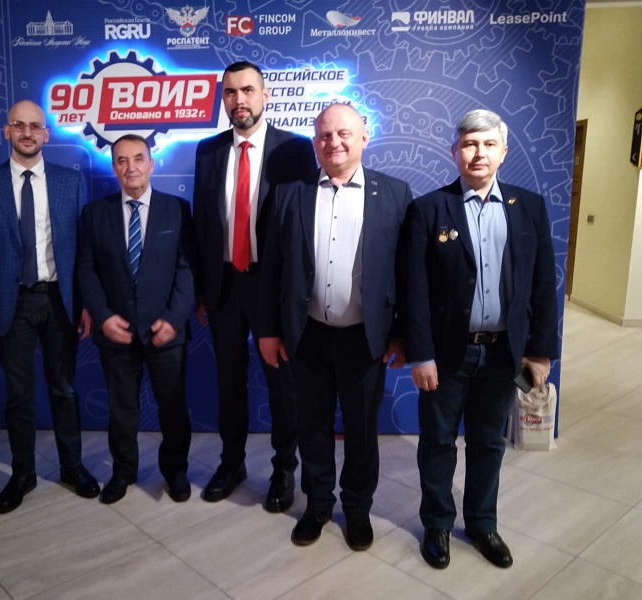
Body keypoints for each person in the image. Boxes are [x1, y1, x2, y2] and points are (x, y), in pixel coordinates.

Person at [406, 109, 559, 569]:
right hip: (446, 353)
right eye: (470, 144)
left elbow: (541, 285)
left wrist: (540, 352)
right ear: (454, 151)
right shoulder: (428, 209)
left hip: (503, 353)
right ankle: (437, 523)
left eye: (489, 144)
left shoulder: (528, 207)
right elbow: (414, 290)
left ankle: (481, 524)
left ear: (503, 152)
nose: (479, 153)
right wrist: (421, 354)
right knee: (437, 441)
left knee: (489, 442)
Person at [259, 103, 413, 551]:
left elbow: (408, 272)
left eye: (344, 133)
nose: (334, 142)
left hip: (365, 337)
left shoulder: (395, 193)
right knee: (312, 426)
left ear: (364, 137)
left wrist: (401, 333)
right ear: (315, 143)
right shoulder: (289, 194)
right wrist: (269, 330)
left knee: (362, 430)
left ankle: (358, 508)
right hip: (306, 335)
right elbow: (271, 270)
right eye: (325, 135)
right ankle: (318, 504)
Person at [0, 99, 99, 514]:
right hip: (10, 303)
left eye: (35, 126)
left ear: (46, 134)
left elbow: (84, 251)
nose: (27, 133)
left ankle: (72, 467)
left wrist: (87, 304)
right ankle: (23, 474)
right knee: (18, 395)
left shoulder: (70, 182)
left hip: (60, 300)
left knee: (65, 390)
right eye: (18, 125)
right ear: (6, 131)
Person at [192, 60, 316, 511]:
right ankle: (232, 463)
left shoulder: (296, 149)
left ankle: (284, 470)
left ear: (265, 96)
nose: (238, 100)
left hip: (274, 286)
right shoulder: (207, 150)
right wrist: (202, 291)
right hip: (225, 285)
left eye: (247, 90)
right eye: (230, 92)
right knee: (229, 381)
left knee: (283, 385)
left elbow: (304, 225)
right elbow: (203, 224)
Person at [78, 134, 194, 504]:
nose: (131, 167)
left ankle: (175, 472)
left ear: (151, 163)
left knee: (173, 409)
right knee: (122, 410)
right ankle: (123, 472)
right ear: (114, 167)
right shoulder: (94, 214)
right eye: (122, 160)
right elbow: (86, 270)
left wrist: (174, 319)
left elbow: (187, 269)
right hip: (117, 332)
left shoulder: (178, 210)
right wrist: (102, 317)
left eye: (138, 158)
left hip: (166, 331)